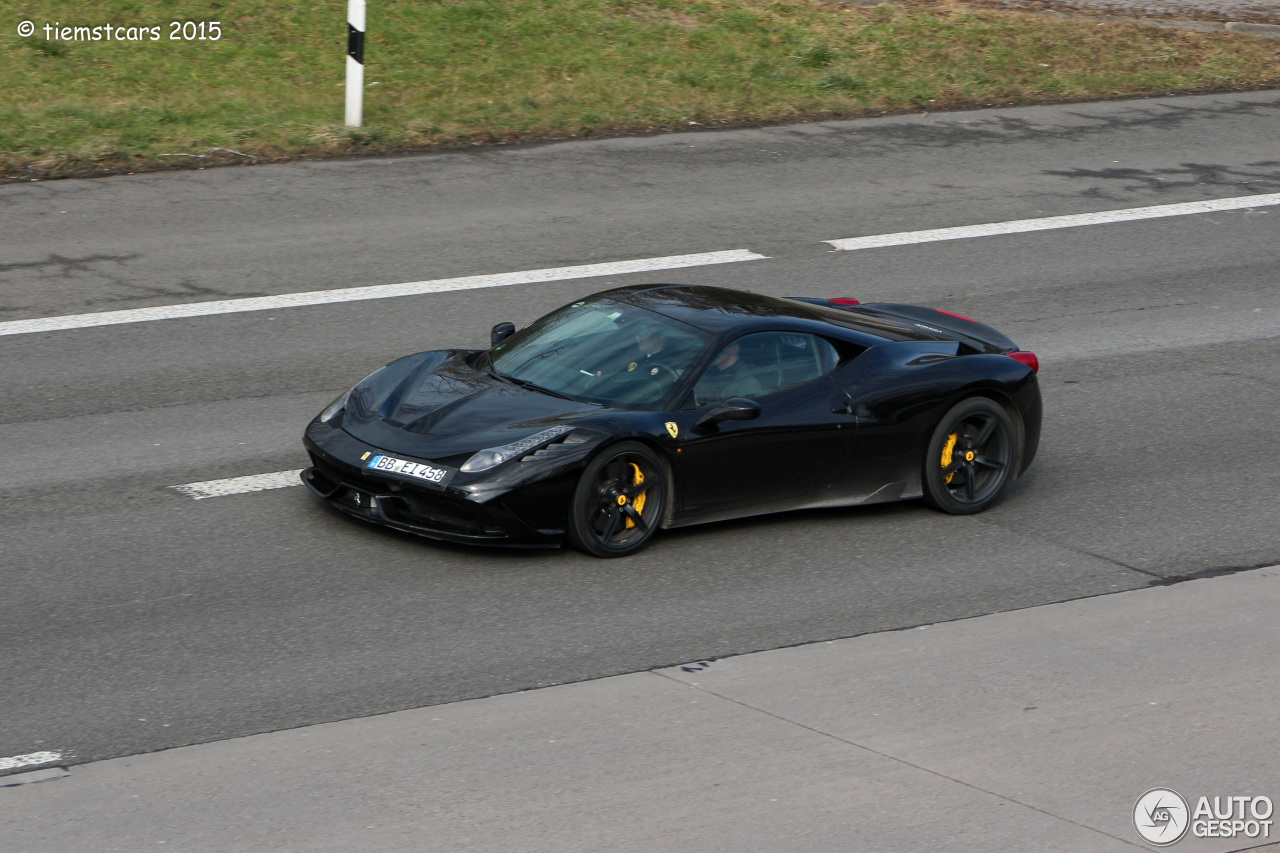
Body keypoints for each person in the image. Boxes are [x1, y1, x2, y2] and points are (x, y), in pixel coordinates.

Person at [694, 340, 764, 406]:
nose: (712, 351)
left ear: (734, 349)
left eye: (718, 347)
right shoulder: (708, 371)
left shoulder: (746, 382)